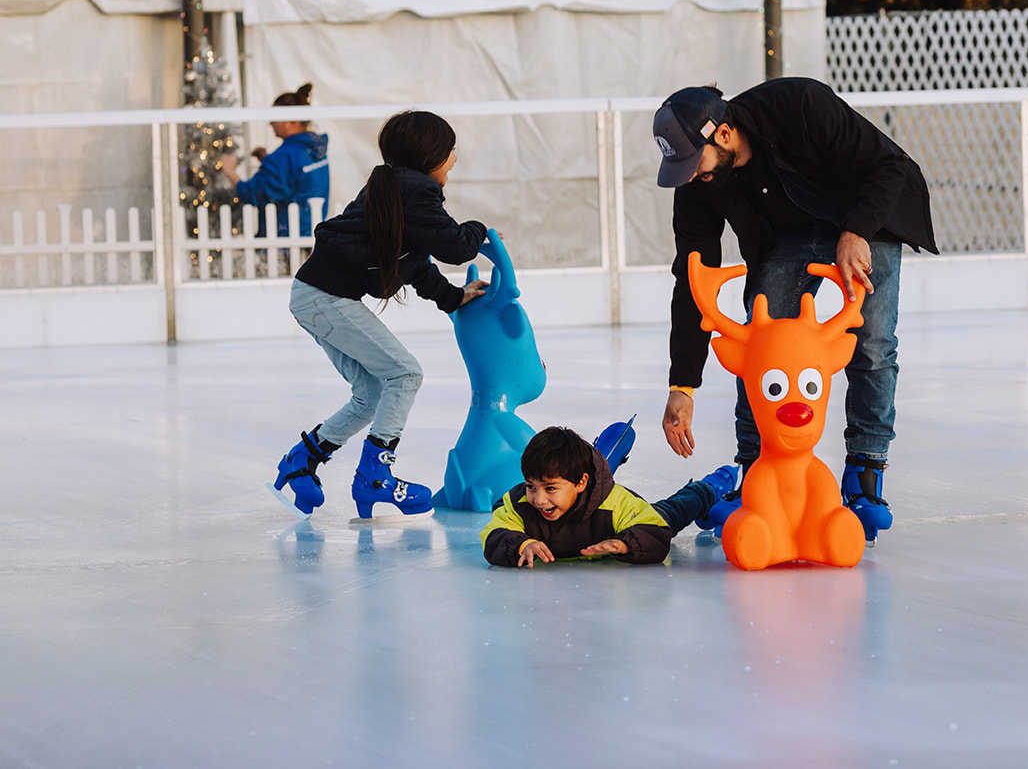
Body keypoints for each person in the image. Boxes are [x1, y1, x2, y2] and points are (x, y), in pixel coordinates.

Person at [651, 77, 939, 541]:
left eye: (693, 161)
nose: (690, 175)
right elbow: (692, 278)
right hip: (788, 237)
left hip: (867, 216)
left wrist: (856, 231)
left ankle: (865, 475)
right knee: (762, 343)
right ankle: (755, 470)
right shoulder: (697, 184)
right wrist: (682, 382)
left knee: (871, 343)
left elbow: (888, 165)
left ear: (722, 133)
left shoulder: (798, 105)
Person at [272, 110, 490, 519]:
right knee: (405, 374)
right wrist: (481, 229)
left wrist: (452, 297)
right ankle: (376, 477)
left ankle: (302, 459)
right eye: (450, 150)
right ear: (432, 156)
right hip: (325, 298)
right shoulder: (416, 192)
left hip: (314, 295)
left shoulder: (394, 188)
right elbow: (456, 248)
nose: (455, 159)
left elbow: (414, 262)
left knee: (371, 394)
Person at [480, 426, 739, 567]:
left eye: (550, 489)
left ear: (581, 483)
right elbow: (495, 532)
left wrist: (626, 544)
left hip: (620, 523)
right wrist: (522, 544)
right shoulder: (520, 504)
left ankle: (713, 486)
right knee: (500, 504)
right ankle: (600, 457)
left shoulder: (614, 503)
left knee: (670, 513)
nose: (538, 499)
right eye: (531, 486)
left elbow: (656, 531)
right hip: (593, 504)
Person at [219, 82, 330, 237]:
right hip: (311, 235)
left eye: (275, 118)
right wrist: (267, 161)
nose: (271, 123)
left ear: (293, 121)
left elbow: (253, 194)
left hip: (284, 243)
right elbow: (296, 179)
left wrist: (230, 171)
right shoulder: (316, 149)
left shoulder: (283, 157)